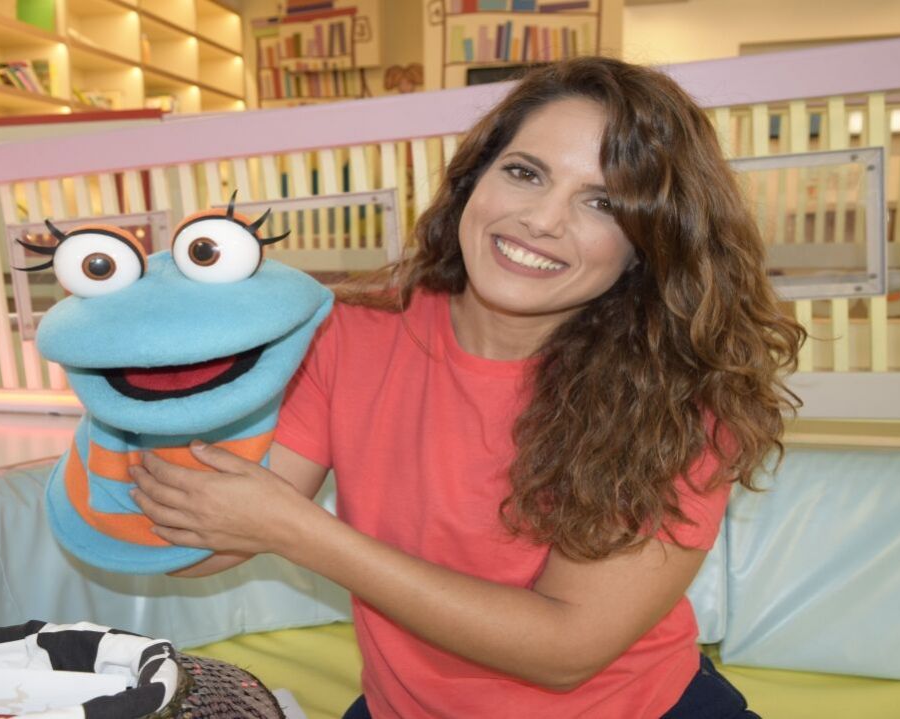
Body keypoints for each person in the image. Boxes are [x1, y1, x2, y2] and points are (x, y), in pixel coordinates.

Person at [128, 56, 805, 718]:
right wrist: (131, 402)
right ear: (474, 179)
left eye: (601, 202)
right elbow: (211, 539)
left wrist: (299, 532)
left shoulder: (680, 398)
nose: (543, 219)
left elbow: (564, 648)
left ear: (645, 247)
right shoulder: (354, 331)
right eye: (524, 172)